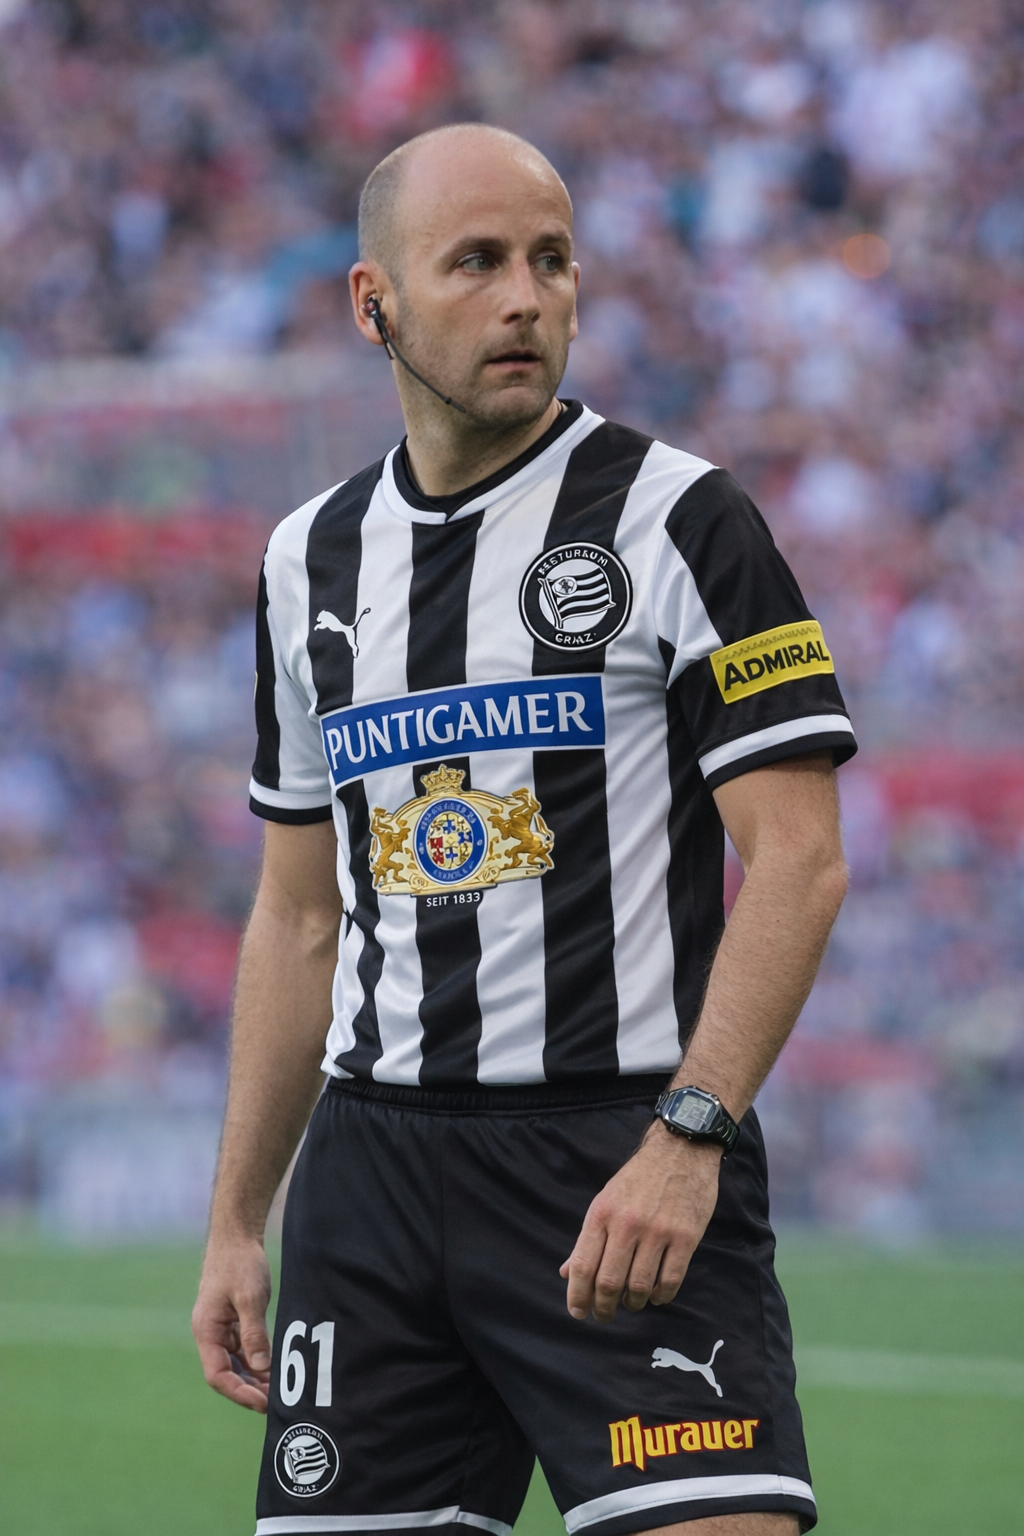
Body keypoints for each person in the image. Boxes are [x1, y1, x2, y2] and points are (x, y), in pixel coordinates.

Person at [192, 123, 854, 1536]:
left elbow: (799, 861)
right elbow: (300, 915)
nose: (525, 299)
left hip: (619, 1161)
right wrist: (239, 1218)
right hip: (371, 1184)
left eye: (552, 262)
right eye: (479, 262)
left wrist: (690, 1137)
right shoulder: (308, 560)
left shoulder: (682, 520)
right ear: (373, 303)